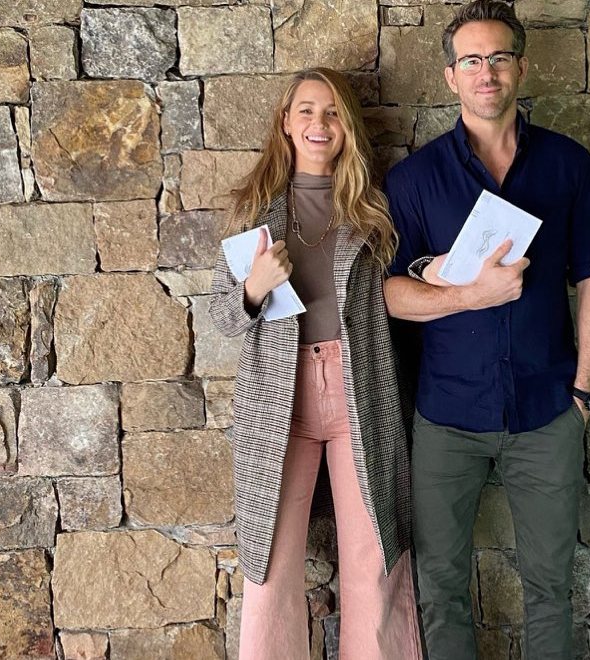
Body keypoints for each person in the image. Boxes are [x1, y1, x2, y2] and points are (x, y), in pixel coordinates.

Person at [382, 1, 590, 657]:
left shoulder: (570, 166)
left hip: (548, 412)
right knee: (439, 588)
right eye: (471, 60)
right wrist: (469, 296)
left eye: (499, 57)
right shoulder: (414, 180)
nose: (486, 72)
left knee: (550, 587)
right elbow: (390, 294)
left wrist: (583, 395)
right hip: (447, 418)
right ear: (451, 76)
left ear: (521, 68)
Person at [209, 67, 421, 660]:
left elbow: (403, 292)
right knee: (269, 562)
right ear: (285, 122)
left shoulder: (374, 210)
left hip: (363, 390)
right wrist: (253, 287)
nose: (318, 123)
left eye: (331, 112)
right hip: (279, 398)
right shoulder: (254, 210)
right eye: (305, 110)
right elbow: (223, 318)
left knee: (374, 555)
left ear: (347, 126)